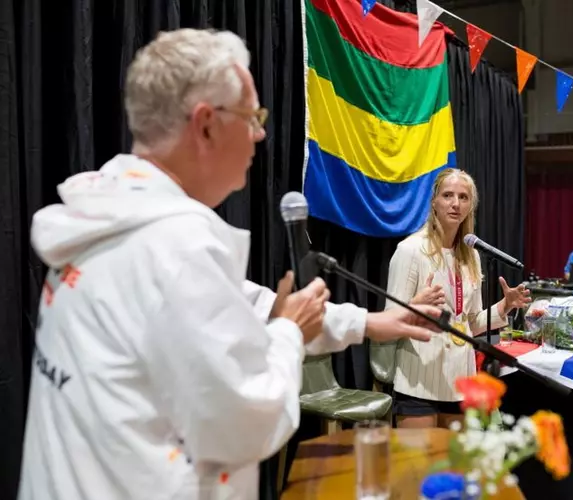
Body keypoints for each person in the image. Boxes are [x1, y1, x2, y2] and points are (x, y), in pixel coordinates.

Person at [18, 29, 441, 500]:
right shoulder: (175, 244)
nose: (260, 133)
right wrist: (288, 335)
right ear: (206, 124)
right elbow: (248, 421)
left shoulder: (109, 215)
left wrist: (369, 321)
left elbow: (243, 305)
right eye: (252, 116)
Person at [384, 168, 531, 429]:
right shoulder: (410, 251)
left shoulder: (471, 256)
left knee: (454, 468)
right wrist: (415, 306)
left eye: (463, 197)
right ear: (434, 203)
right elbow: (387, 325)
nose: (455, 203)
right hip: (419, 382)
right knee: (417, 469)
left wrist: (504, 306)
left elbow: (470, 324)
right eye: (448, 195)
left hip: (460, 382)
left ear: (470, 207)